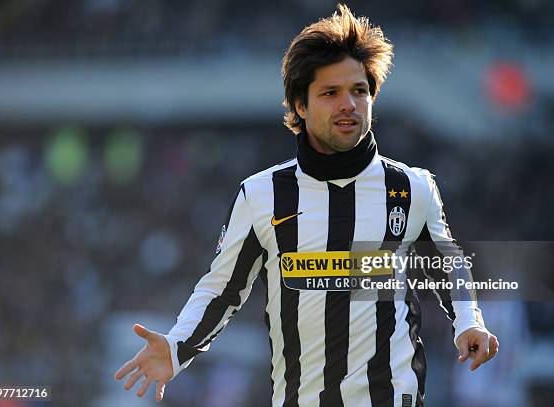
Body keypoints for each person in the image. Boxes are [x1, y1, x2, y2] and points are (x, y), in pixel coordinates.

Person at [115, 4, 499, 406]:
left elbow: (448, 263)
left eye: (359, 90)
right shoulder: (260, 195)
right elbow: (222, 289)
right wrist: (178, 347)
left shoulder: (412, 187)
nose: (348, 104)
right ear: (300, 105)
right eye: (330, 93)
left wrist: (468, 322)